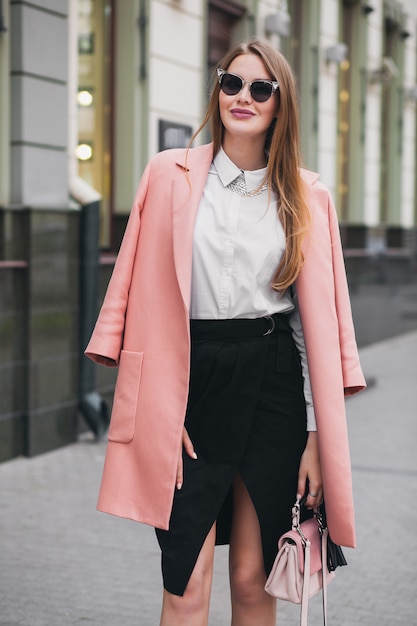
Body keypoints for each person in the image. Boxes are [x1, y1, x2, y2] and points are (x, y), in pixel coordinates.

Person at [85, 38, 366, 626]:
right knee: (186, 579)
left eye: (261, 88)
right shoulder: (170, 173)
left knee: (251, 580)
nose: (243, 96)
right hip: (190, 376)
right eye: (231, 82)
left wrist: (314, 432)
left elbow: (311, 326)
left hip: (273, 388)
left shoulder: (306, 195)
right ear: (217, 91)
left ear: (280, 103)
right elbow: (134, 288)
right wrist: (160, 408)